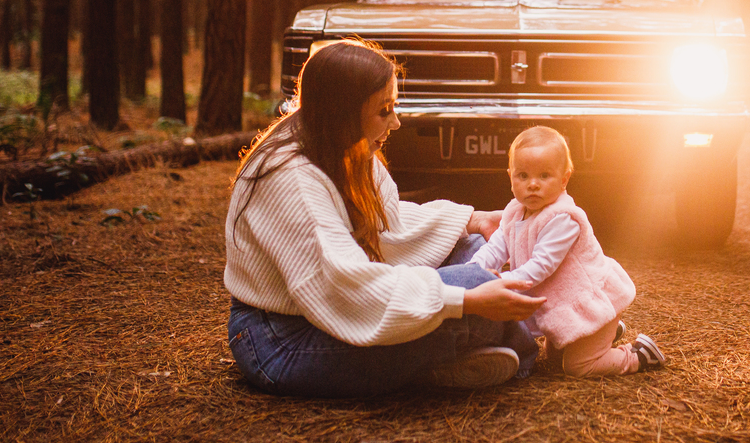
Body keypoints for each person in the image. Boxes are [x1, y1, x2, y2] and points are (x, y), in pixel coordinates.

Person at [224, 38, 543, 397]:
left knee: (479, 248)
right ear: (344, 111)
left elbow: (387, 227)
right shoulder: (289, 178)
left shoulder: (337, 141)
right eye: (384, 110)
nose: (396, 122)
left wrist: (474, 220)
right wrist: (465, 301)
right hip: (279, 340)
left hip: (334, 305)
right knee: (473, 301)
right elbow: (344, 286)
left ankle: (558, 327)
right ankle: (558, 334)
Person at [470, 126, 666, 377]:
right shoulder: (513, 212)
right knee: (554, 357)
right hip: (567, 304)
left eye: (544, 175)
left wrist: (503, 280)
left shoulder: (563, 218)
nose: (532, 185)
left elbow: (542, 265)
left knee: (578, 367)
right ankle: (603, 334)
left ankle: (639, 355)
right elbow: (496, 246)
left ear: (564, 179)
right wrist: (473, 272)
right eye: (522, 175)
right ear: (510, 177)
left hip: (590, 300)